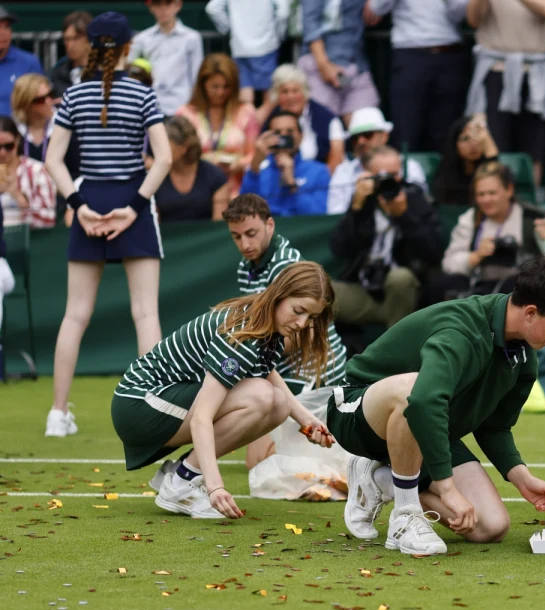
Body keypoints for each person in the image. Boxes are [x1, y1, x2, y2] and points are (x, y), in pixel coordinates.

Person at [328, 255, 545, 553]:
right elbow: (424, 403)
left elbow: (494, 426)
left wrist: (521, 477)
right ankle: (405, 515)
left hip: (426, 427)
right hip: (357, 410)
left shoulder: (523, 354)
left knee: (490, 526)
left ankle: (381, 479)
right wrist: (446, 487)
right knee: (414, 392)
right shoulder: (462, 331)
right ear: (531, 312)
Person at [111, 261, 337, 519]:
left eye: (311, 317)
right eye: (299, 310)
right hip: (138, 406)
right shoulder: (243, 330)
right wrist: (215, 485)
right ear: (280, 295)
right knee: (262, 396)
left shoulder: (263, 322)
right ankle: (182, 482)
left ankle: (181, 475)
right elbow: (201, 417)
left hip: (154, 402)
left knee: (279, 404)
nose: (302, 323)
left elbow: (267, 373)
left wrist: (307, 420)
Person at [44, 12, 172, 438]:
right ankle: (154, 406)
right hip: (129, 198)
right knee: (145, 313)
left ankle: (57, 414)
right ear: (127, 48)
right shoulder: (142, 94)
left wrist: (79, 204)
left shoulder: (74, 96)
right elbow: (165, 159)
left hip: (93, 199)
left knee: (75, 315)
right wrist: (134, 207)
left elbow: (52, 160)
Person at [225, 192, 348, 392]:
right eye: (236, 236)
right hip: (283, 371)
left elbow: (302, 332)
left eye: (251, 233)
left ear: (270, 226)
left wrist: (245, 351)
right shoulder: (245, 266)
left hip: (319, 376)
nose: (244, 245)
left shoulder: (285, 265)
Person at [330, 145, 443, 328]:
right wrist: (356, 210)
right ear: (368, 175)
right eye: (385, 176)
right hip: (365, 290)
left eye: (396, 174)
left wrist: (404, 216)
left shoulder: (414, 197)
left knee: (400, 278)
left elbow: (434, 250)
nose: (393, 180)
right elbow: (339, 248)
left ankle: (395, 352)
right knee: (320, 291)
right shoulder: (362, 201)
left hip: (405, 293)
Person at [438, 162, 545, 305]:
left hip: (522, 288)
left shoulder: (533, 217)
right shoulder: (471, 219)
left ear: (509, 190)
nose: (486, 200)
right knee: (441, 285)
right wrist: (476, 256)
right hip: (479, 284)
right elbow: (449, 263)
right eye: (481, 194)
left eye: (492, 193)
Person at [464, 0, 545, 187]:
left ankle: (530, 203)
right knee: (492, 143)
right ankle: (494, 199)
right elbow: (473, 20)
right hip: (496, 71)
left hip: (536, 75)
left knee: (535, 151)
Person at [364, 0, 471, 152]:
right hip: (410, 54)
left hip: (449, 53)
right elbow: (375, 9)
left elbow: (460, 14)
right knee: (406, 129)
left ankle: (444, 174)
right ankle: (405, 174)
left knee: (447, 131)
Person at [175, 53, 261, 196]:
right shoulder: (185, 113)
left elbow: (254, 154)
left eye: (226, 87)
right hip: (196, 191)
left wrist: (238, 164)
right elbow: (177, 156)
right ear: (203, 85)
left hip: (236, 191)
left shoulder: (246, 112)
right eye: (214, 87)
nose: (220, 92)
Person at [327, 107, 428, 214]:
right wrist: (356, 202)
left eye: (368, 135)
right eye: (355, 138)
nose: (361, 142)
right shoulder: (343, 172)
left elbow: (423, 209)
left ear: (384, 136)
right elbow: (335, 216)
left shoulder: (409, 166)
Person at [299, 0, 381, 123]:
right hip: (322, 67)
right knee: (323, 130)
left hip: (357, 65)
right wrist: (323, 64)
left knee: (369, 128)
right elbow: (310, 21)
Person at [242, 110, 331, 217]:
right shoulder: (258, 171)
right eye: (277, 132)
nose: (284, 136)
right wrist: (254, 167)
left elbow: (318, 216)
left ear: (301, 136)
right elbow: (244, 211)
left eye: (290, 132)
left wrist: (292, 183)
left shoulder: (318, 171)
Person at [259, 65, 346, 171]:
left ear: (305, 92)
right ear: (277, 95)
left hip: (317, 181)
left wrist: (319, 180)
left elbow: (336, 159)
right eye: (285, 92)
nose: (291, 97)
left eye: (295, 91)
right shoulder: (271, 119)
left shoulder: (327, 119)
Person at [204, 0, 290, 106]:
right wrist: (279, 34)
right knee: (269, 97)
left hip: (240, 47)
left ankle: (249, 122)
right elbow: (283, 13)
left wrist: (229, 29)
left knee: (245, 97)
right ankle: (262, 122)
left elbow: (212, 8)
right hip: (267, 46)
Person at [130, 0, 203, 117]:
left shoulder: (192, 38)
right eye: (158, 4)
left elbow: (196, 74)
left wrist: (192, 106)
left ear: (178, 5)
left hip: (183, 107)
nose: (163, 9)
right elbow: (130, 71)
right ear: (150, 7)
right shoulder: (142, 39)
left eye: (168, 3)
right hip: (152, 106)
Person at [155, 115, 230, 222]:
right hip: (167, 238)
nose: (159, 149)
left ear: (183, 147)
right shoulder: (157, 177)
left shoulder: (215, 177)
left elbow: (218, 227)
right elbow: (154, 223)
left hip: (207, 237)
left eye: (165, 144)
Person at [0, 116, 57, 229]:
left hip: (28, 240)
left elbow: (49, 219)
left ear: (17, 140)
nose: (2, 153)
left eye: (8, 146)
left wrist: (18, 197)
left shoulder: (37, 170)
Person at [432, 114, 499, 205]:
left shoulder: (487, 167)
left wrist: (490, 151)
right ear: (454, 144)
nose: (473, 144)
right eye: (465, 139)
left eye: (476, 137)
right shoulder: (446, 174)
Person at [0, 5, 42, 118]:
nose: (3, 33)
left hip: (19, 131)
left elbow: (40, 106)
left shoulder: (29, 62)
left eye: (7, 27)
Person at [50, 11, 93, 99]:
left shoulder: (104, 71)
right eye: (66, 39)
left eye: (75, 38)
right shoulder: (58, 72)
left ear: (89, 38)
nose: (70, 45)